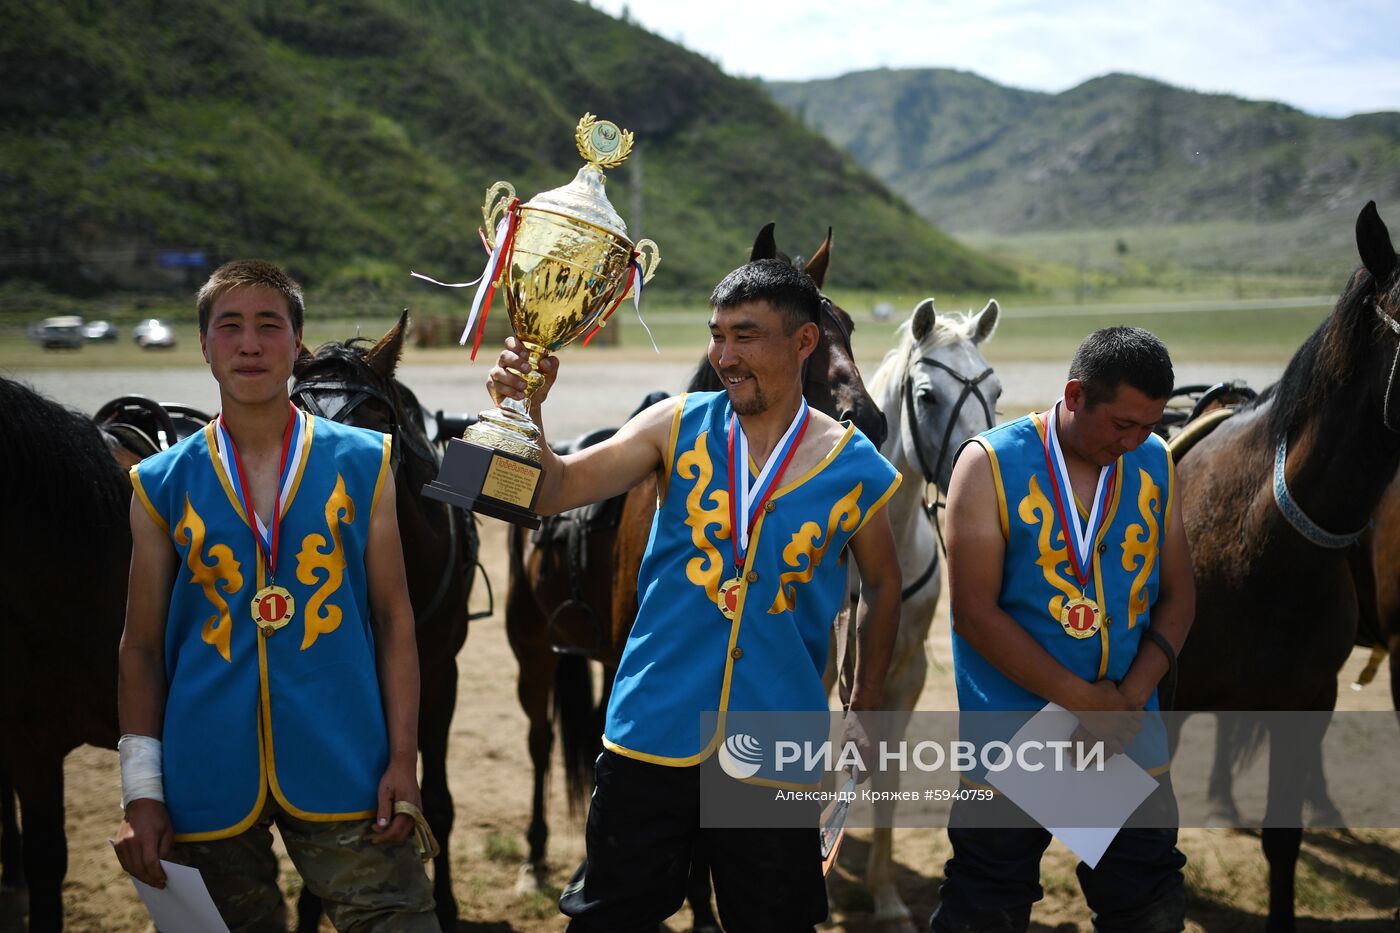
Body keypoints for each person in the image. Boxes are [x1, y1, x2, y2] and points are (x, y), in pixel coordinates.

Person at [486, 258, 902, 932]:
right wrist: (523, 411)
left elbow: (884, 582)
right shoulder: (673, 425)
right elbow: (552, 490)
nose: (725, 356)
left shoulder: (856, 466)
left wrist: (866, 699)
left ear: (804, 343)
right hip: (650, 729)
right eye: (717, 336)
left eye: (746, 335)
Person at [112, 259, 438, 931]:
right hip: (203, 772)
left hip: (348, 757)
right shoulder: (158, 483)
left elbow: (395, 617)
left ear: (297, 343)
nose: (250, 344)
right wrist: (141, 790)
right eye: (229, 327)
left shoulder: (364, 460)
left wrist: (403, 759)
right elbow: (140, 647)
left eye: (269, 326)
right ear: (204, 346)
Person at [935, 326, 1195, 933]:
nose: (1134, 443)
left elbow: (1180, 594)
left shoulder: (1156, 461)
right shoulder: (988, 463)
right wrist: (1085, 703)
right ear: (1075, 395)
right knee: (985, 905)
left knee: (1149, 903)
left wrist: (1126, 701)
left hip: (1126, 735)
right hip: (1014, 742)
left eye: (1149, 426)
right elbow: (973, 613)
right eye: (1122, 425)